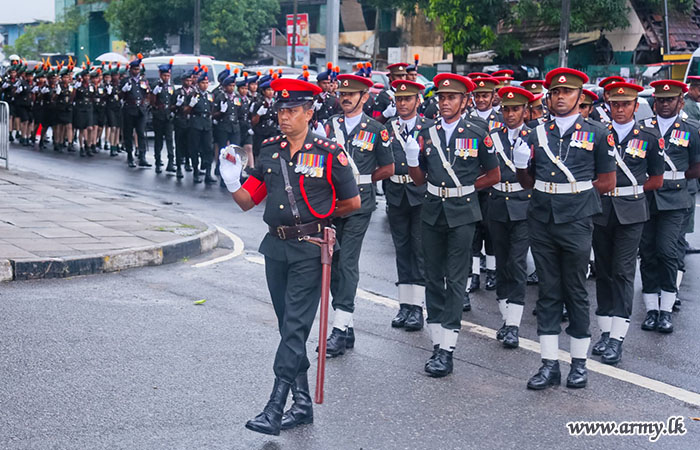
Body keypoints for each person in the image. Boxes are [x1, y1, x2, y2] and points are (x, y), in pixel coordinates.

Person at [218, 78, 361, 436]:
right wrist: (232, 181)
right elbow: (249, 201)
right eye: (281, 110)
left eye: (292, 110)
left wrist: (320, 220)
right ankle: (302, 405)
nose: (284, 117)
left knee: (295, 328)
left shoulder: (329, 153)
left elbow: (352, 202)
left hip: (310, 250)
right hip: (276, 248)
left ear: (309, 113)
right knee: (288, 329)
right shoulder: (270, 150)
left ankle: (275, 407)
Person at [514, 68, 617, 390]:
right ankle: (548, 365)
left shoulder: (597, 133)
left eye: (568, 92)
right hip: (542, 217)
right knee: (547, 290)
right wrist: (520, 166)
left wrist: (575, 197)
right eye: (556, 92)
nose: (561, 97)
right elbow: (527, 182)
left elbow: (607, 181)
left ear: (580, 96)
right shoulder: (535, 133)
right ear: (549, 97)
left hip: (576, 219)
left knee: (575, 290)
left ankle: (579, 364)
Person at [407, 73, 500, 377]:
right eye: (442, 98)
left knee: (456, 279)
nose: (445, 103)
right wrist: (412, 161)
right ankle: (437, 342)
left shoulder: (477, 132)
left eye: (451, 98)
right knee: (433, 277)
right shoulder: (427, 132)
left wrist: (467, 188)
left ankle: (448, 348)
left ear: (464, 101)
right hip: (433, 209)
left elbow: (494, 174)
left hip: (462, 212)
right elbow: (419, 180)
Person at [588, 82, 665, 365]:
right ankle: (605, 331)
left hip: (631, 212)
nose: (620, 109)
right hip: (601, 210)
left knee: (622, 272)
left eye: (626, 104)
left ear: (635, 106)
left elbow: (656, 179)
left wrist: (630, 192)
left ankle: (617, 338)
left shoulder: (649, 137)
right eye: (615, 104)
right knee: (604, 271)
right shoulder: (599, 134)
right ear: (608, 105)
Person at [322, 73, 395, 357]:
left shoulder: (376, 129)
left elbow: (388, 168)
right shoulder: (330, 125)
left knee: (348, 262)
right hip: (332, 204)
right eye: (342, 94)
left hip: (360, 205)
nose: (345, 98)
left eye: (351, 94)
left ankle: (339, 330)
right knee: (332, 263)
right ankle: (347, 325)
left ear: (364, 97)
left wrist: (363, 181)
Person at [638, 80, 700, 334]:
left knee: (667, 251)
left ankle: (666, 309)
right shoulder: (642, 128)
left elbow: (696, 166)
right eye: (661, 100)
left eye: (670, 100)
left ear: (680, 102)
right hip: (647, 198)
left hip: (675, 199)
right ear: (654, 102)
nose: (664, 104)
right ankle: (651, 309)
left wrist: (677, 180)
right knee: (648, 253)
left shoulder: (691, 129)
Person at [488, 86, 536, 349]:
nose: (510, 114)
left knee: (517, 263)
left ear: (525, 111)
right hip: (497, 204)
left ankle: (513, 325)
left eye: (515, 109)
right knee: (502, 262)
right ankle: (505, 318)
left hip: (523, 205)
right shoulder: (492, 136)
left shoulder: (535, 137)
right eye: (506, 109)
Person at [385, 79, 431, 331]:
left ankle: (417, 308)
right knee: (401, 250)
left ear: (418, 101)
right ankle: (404, 305)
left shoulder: (429, 128)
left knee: (419, 250)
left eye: (407, 99)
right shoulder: (387, 127)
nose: (402, 103)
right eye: (399, 99)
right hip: (396, 193)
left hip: (420, 194)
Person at [468, 76, 503, 294]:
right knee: (473, 231)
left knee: (491, 230)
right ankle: (474, 274)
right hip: (472, 180)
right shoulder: (466, 119)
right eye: (477, 95)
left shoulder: (501, 119)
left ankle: (492, 271)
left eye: (485, 96)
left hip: (493, 182)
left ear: (493, 97)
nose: (481, 99)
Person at [185, 67, 216, 184]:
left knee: (208, 148)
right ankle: (196, 172)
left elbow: (212, 109)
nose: (205, 85)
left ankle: (208, 173)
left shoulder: (210, 95)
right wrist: (191, 105)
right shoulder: (192, 95)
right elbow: (185, 111)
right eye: (203, 83)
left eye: (207, 83)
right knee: (195, 148)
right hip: (196, 123)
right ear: (198, 84)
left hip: (207, 124)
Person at [120, 54, 151, 168]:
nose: (136, 71)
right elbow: (120, 96)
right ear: (130, 70)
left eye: (138, 69)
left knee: (141, 133)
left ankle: (142, 156)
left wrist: (146, 101)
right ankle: (130, 156)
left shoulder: (143, 81)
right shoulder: (125, 80)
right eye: (134, 69)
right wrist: (124, 90)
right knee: (128, 133)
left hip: (141, 110)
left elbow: (147, 93)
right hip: (129, 109)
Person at [150, 59, 176, 173]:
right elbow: (152, 102)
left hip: (168, 115)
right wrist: (154, 93)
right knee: (159, 139)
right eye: (164, 75)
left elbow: (173, 99)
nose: (166, 78)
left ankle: (171, 162)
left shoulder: (171, 85)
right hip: (159, 115)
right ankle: (157, 161)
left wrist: (174, 109)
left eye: (168, 76)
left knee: (170, 139)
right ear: (160, 75)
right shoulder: (155, 85)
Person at [173, 68, 196, 178]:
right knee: (179, 144)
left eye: (190, 80)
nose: (189, 82)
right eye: (186, 80)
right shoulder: (178, 92)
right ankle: (178, 167)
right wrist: (177, 105)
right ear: (182, 81)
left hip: (191, 121)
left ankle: (188, 162)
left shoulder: (194, 92)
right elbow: (171, 107)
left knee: (189, 144)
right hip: (180, 120)